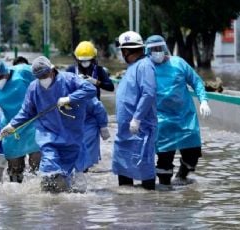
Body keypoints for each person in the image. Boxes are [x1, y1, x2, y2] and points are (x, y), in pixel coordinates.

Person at [1, 56, 96, 193]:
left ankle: (63, 202)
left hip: (71, 134)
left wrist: (70, 98)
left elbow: (90, 89)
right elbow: (26, 111)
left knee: (66, 172)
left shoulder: (69, 80)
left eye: (45, 75)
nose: (43, 79)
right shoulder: (34, 88)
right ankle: (48, 203)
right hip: (48, 134)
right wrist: (12, 125)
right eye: (39, 77)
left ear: (52, 70)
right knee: (49, 167)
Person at [145, 35, 212, 186]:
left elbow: (196, 82)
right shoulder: (145, 68)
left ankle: (182, 176)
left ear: (164, 48)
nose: (157, 52)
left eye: (159, 48)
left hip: (185, 117)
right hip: (161, 120)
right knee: (164, 160)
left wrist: (204, 101)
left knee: (193, 154)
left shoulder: (179, 63)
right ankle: (165, 193)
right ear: (147, 51)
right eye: (153, 49)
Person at [112, 31, 157, 190]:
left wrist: (137, 118)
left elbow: (148, 93)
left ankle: (150, 205)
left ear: (126, 51)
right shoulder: (133, 67)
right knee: (123, 170)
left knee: (144, 167)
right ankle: (126, 209)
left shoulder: (144, 66)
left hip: (139, 128)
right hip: (125, 131)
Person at [75, 98, 110, 173]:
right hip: (73, 126)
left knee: (84, 155)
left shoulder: (82, 93)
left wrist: (103, 126)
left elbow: (98, 108)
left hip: (88, 126)